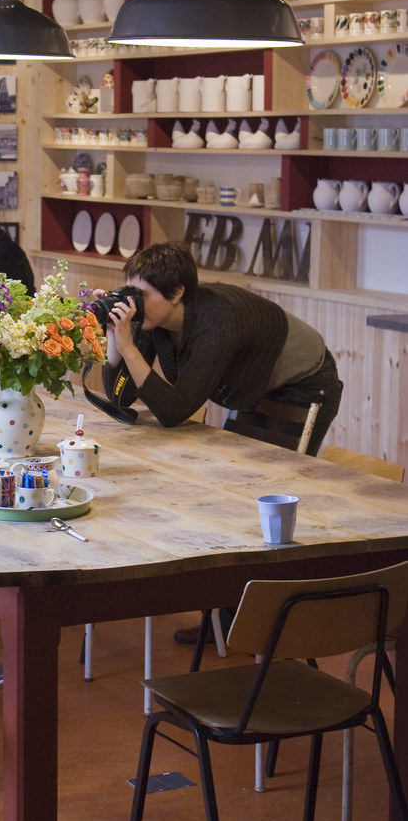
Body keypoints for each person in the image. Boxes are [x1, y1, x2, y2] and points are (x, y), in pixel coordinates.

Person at [99, 239, 344, 646]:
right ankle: (224, 620)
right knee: (231, 496)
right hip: (251, 385)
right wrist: (115, 342)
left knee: (266, 502)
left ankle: (259, 626)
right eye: (131, 290)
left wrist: (128, 348)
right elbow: (121, 396)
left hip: (304, 382)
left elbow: (175, 410)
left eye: (141, 293)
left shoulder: (217, 320)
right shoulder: (156, 319)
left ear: (176, 293)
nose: (133, 302)